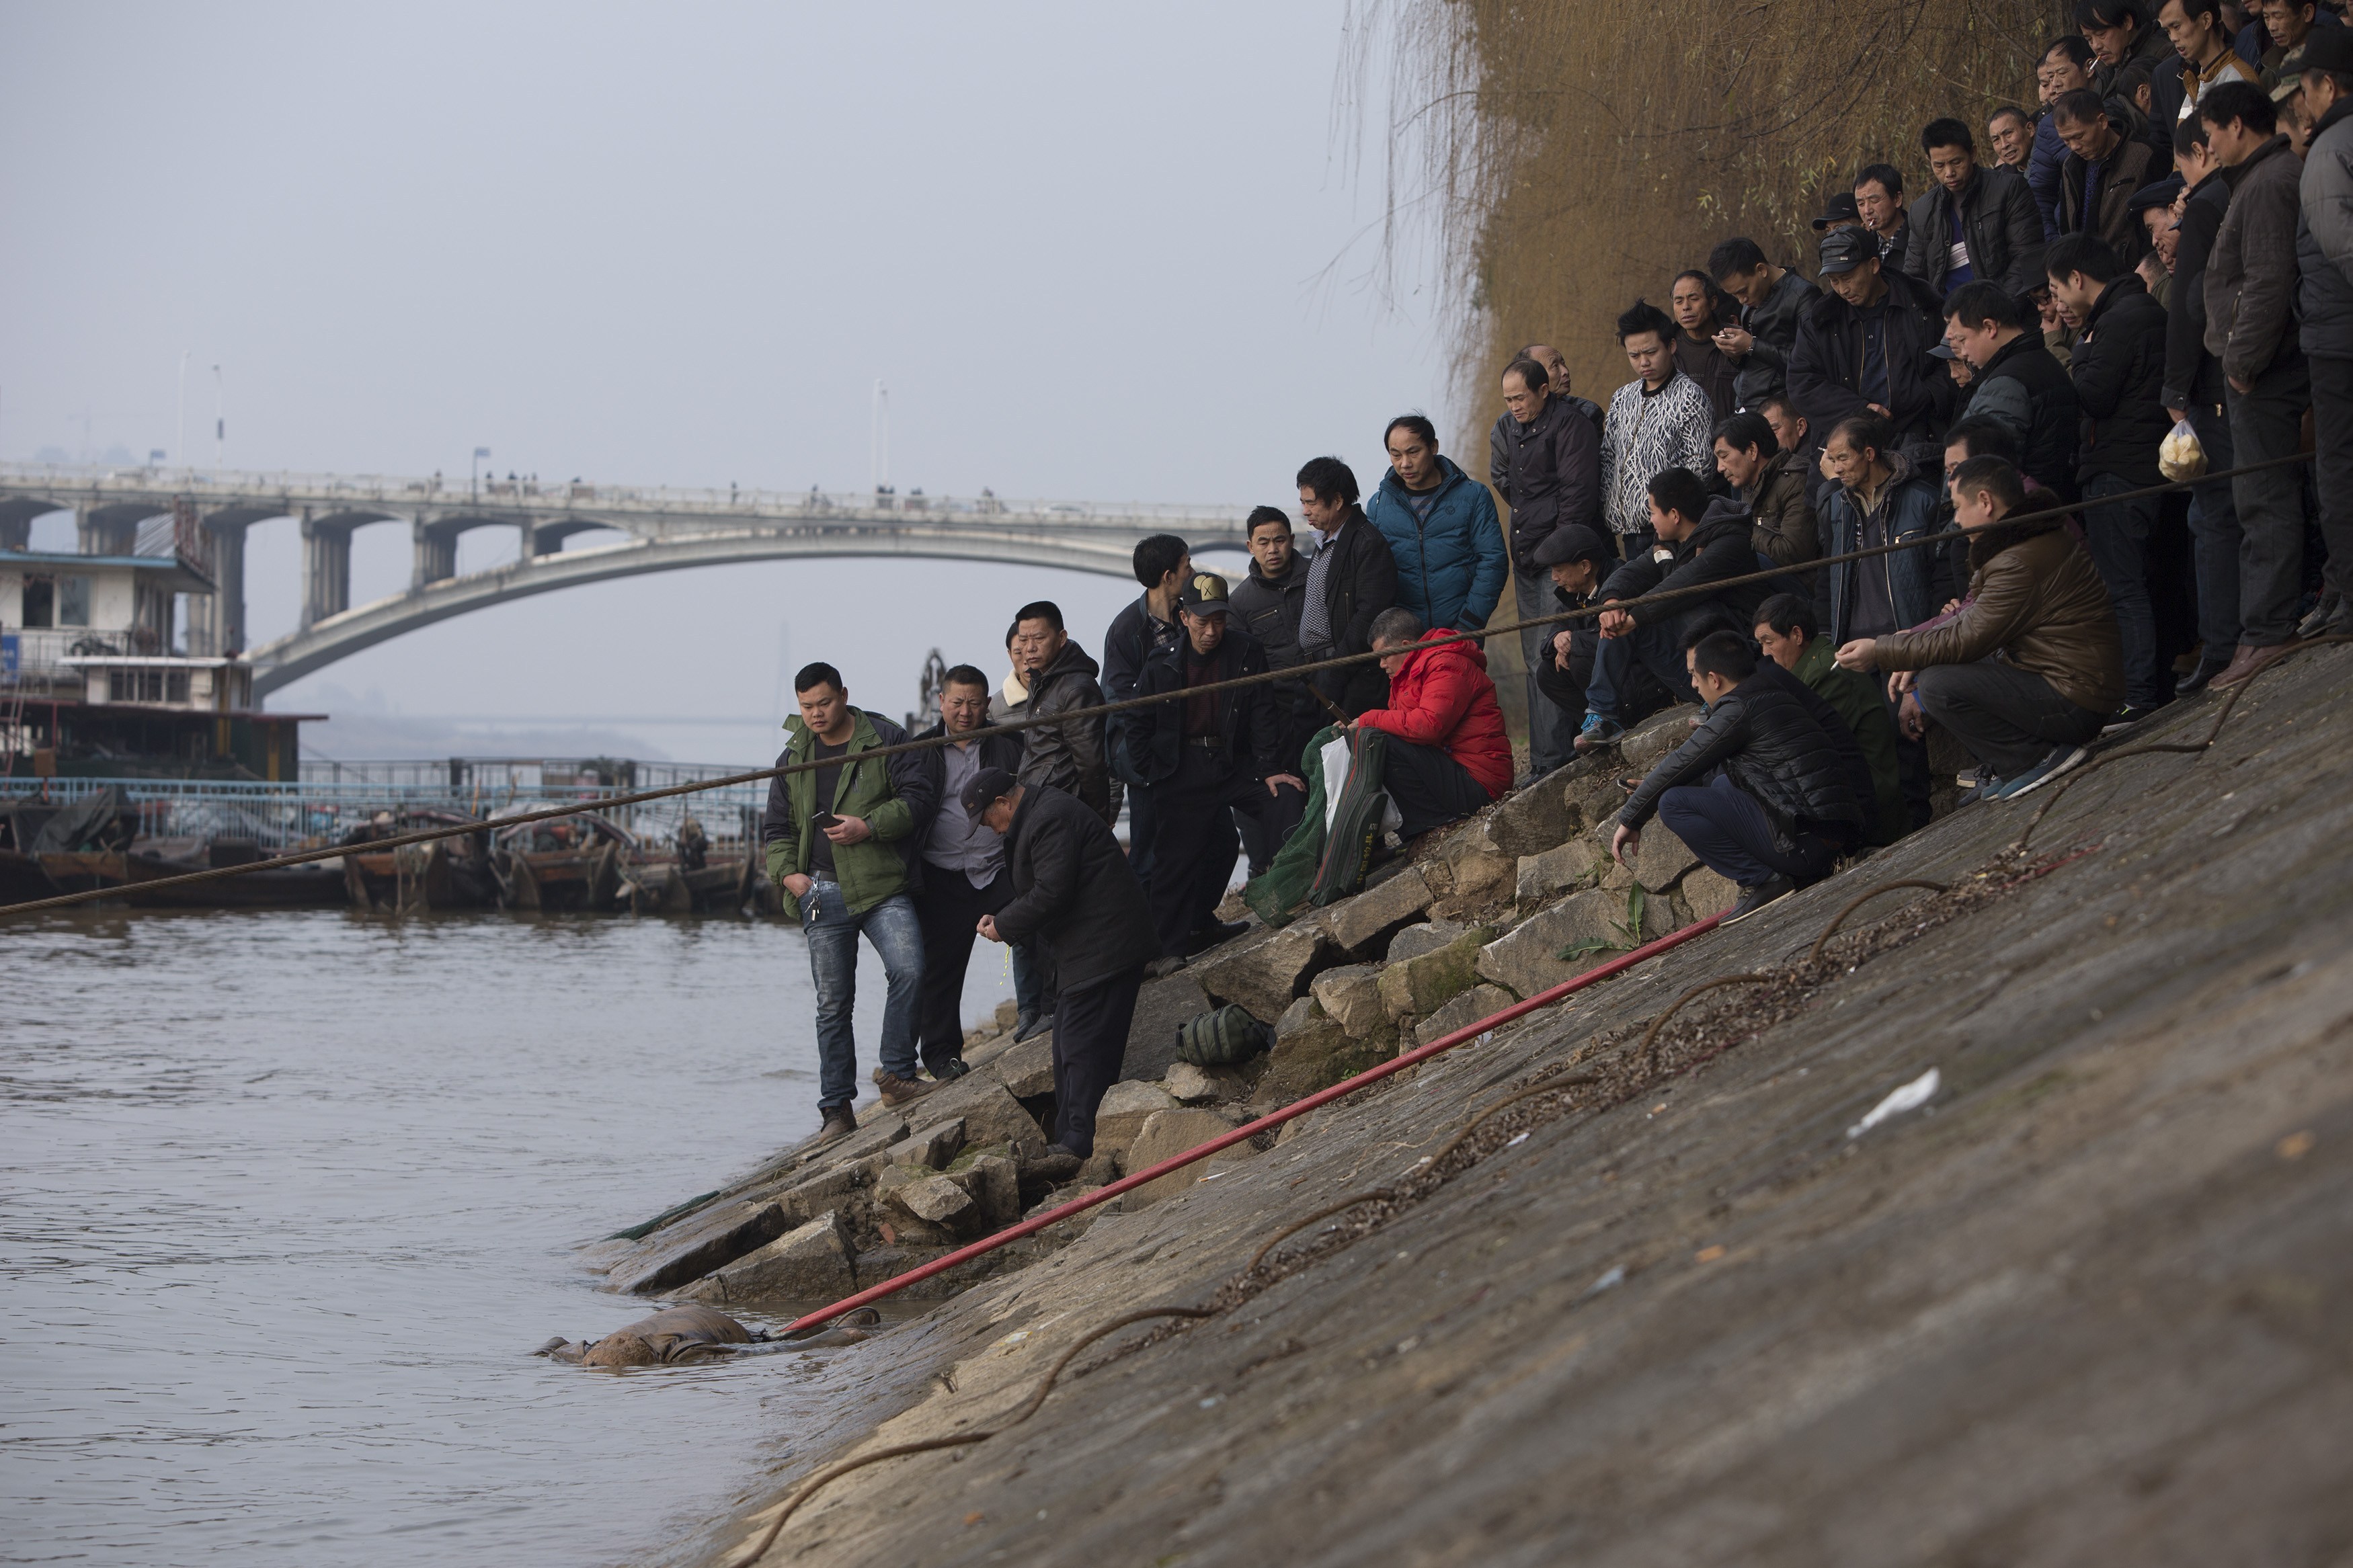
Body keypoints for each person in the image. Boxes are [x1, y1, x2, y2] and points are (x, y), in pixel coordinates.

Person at [1841, 457, 2124, 800]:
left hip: (2077, 698)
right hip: (2068, 682)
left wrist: (1882, 650)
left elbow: (1969, 637)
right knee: (1937, 672)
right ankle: (2014, 763)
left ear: (1986, 502)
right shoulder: (2023, 543)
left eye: (1960, 507)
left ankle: (2034, 758)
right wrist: (1908, 644)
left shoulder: (2018, 559)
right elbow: (1968, 621)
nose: (1957, 519)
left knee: (1938, 684)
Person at [762, 662, 939, 1144]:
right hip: (819, 889)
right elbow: (777, 830)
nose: (815, 714)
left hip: (884, 884)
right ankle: (836, 1110)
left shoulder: (884, 738)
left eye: (823, 703)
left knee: (910, 968)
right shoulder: (793, 755)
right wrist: (788, 874)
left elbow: (919, 798)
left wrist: (869, 825)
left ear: (844, 695)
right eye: (806, 707)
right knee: (832, 1003)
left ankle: (897, 1074)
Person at [967, 769, 1157, 1167]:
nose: (990, 830)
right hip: (1088, 949)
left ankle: (1079, 1144)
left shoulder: (1049, 816)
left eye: (988, 820)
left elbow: (1053, 890)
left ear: (1003, 803)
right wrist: (1005, 918)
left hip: (1106, 946)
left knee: (1082, 1048)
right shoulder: (1038, 813)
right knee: (1066, 1047)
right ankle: (1072, 1139)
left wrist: (1004, 924)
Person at [1611, 630, 1865, 923]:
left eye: (1695, 676)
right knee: (1721, 783)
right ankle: (1775, 876)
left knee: (1672, 803)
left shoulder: (1737, 709)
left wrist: (1632, 817)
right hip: (1827, 834)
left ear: (1715, 679)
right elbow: (1710, 769)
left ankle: (1764, 881)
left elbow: (1681, 760)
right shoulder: (1768, 691)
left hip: (1809, 844)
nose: (1693, 684)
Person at [2201, 80, 2310, 684]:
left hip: (2264, 370)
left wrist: (2242, 360)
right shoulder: (2261, 180)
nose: (2210, 145)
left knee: (2264, 499)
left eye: (2212, 132)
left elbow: (2268, 282)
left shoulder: (2269, 182)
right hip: (2255, 367)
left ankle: (2269, 629)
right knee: (2257, 498)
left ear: (2237, 125)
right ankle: (2264, 625)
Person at [1127, 571, 1292, 963]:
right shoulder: (1161, 664)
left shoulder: (1247, 651)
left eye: (1220, 620)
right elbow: (1137, 724)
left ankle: (1294, 891)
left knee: (1285, 798)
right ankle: (1169, 949)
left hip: (1235, 763)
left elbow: (1265, 713)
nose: (1212, 631)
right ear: (1184, 618)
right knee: (1175, 859)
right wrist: (1153, 772)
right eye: (1203, 622)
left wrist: (1270, 767)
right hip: (1183, 767)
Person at [2047, 233, 2174, 718]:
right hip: (2142, 463)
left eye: (2058, 289)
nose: (2057, 302)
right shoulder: (2134, 313)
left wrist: (2078, 352)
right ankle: (2152, 685)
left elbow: (2094, 396)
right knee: (2144, 581)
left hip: (2120, 469)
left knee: (2124, 587)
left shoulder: (2118, 322)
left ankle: (2140, 694)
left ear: (2078, 279)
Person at [1576, 467, 1772, 751]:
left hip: (1742, 663)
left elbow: (1684, 585)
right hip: (1695, 671)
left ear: (1675, 515)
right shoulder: (1667, 543)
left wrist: (1636, 616)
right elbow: (1631, 573)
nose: (1650, 519)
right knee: (1618, 621)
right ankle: (1603, 715)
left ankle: (1719, 699)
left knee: (1686, 606)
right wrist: (1612, 603)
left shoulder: (1728, 540)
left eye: (1653, 511)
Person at [2162, 112, 2247, 692]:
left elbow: (2191, 302)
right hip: (2240, 369)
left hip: (2213, 383)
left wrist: (2175, 386)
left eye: (2181, 167)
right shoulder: (2246, 187)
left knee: (2213, 513)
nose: (2181, 184)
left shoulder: (2209, 205)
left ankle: (2223, 644)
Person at [909, 664, 1024, 1081]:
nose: (965, 711)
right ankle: (942, 1058)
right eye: (956, 702)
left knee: (1040, 923)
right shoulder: (918, 751)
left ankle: (1043, 1011)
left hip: (997, 869)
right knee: (940, 968)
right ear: (941, 702)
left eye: (975, 703)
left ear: (987, 703)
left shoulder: (1009, 744)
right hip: (940, 875)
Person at [1490, 354, 1602, 774]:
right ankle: (1542, 762)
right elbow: (1508, 484)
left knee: (1554, 653)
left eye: (1521, 398)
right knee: (1531, 660)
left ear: (1543, 390)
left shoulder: (1569, 424)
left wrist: (1563, 555)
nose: (1514, 406)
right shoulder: (1507, 429)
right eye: (1508, 400)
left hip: (1558, 558)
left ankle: (1556, 760)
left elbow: (1577, 494)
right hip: (1525, 557)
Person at [1755, 593, 1912, 846]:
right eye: (1760, 644)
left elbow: (1819, 750)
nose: (1765, 653)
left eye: (1768, 641)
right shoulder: (1808, 670)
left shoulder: (1826, 672)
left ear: (1796, 635)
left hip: (1871, 803)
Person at [1351, 607, 1513, 839]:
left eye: (1385, 656)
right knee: (1381, 742)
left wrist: (1369, 718)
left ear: (1406, 645)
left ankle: (1434, 824)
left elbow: (1428, 727)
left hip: (1480, 782)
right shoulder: (1409, 672)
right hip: (1455, 769)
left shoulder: (1445, 663)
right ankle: (1425, 827)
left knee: (1385, 744)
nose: (1382, 664)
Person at [1789, 226, 1956, 450]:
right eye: (1833, 281)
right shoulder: (1820, 322)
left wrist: (1925, 395)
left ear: (1873, 266)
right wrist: (1861, 412)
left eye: (1847, 278)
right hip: (1847, 438)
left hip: (1918, 431)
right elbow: (1802, 382)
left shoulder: (1922, 306)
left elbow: (1953, 359)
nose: (1842, 289)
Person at [2297, 30, 2353, 638]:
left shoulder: (2328, 149)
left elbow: (2341, 244)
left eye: (2307, 90)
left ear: (2328, 86)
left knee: (2338, 467)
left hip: (2339, 339)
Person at [1228, 505, 1319, 874]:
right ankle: (1276, 869)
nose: (1273, 549)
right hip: (1278, 713)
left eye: (1279, 540)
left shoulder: (1319, 576)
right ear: (1250, 546)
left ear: (1292, 541)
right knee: (1289, 791)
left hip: (1324, 698)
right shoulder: (1241, 603)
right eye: (1263, 542)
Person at [1817, 413, 1954, 650]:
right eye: (1832, 460)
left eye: (1843, 458)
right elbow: (1827, 573)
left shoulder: (1923, 500)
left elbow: (1943, 572)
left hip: (1907, 638)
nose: (1837, 469)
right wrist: (1826, 633)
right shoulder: (1837, 507)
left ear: (1869, 454)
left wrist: (1931, 631)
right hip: (1851, 640)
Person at [1363, 413, 1508, 639]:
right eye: (1396, 455)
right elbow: (1373, 576)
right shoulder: (1378, 506)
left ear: (1433, 447)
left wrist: (1469, 623)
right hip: (1404, 638)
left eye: (1413, 452)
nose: (1405, 464)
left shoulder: (1473, 496)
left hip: (1461, 630)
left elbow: (1493, 561)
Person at [1102, 534, 1191, 891]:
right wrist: (1147, 751)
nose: (1193, 571)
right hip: (1150, 760)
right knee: (1148, 854)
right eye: (1188, 565)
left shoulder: (1192, 617)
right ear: (1169, 576)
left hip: (1191, 751)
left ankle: (1197, 924)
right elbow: (1120, 700)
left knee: (1210, 843)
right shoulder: (1126, 630)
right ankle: (1149, 941)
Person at [1942, 280, 2083, 499]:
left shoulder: (2006, 385)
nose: (1963, 352)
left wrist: (1955, 526)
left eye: (1963, 339)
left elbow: (1984, 483)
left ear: (1989, 327)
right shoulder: (2040, 361)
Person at [1528, 523, 1671, 737]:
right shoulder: (1573, 594)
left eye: (1559, 570)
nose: (1554, 578)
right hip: (1615, 686)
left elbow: (1618, 637)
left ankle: (1613, 722)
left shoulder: (1623, 581)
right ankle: (1594, 726)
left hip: (1645, 685)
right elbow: (1552, 635)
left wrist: (1574, 642)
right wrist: (1558, 639)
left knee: (1579, 658)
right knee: (1548, 673)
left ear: (1585, 566)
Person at [1600, 300, 1717, 552]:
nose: (1643, 362)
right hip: (1628, 531)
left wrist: (1667, 517)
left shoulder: (1690, 397)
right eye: (1634, 355)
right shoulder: (1622, 398)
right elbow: (1608, 457)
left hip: (1669, 534)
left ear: (1671, 346)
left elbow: (1700, 467)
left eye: (1651, 353)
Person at [1295, 455, 1400, 718]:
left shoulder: (1366, 543)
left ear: (1338, 501)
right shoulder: (1324, 541)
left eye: (1312, 503)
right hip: (1320, 671)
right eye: (1303, 503)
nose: (1305, 511)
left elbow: (1369, 614)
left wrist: (1335, 671)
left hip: (1347, 676)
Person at [1903, 118, 2048, 300]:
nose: (1949, 173)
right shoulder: (1921, 211)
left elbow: (2025, 258)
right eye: (1939, 165)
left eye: (1956, 162)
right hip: (1950, 319)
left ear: (1973, 154)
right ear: (1929, 161)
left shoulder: (2009, 189)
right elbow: (1914, 279)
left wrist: (1998, 313)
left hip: (2004, 311)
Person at [1009, 600, 1111, 825]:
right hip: (1039, 804)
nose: (1030, 648)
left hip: (1062, 811)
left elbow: (1091, 764)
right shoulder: (1040, 677)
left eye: (1039, 638)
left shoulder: (1077, 688)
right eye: (1024, 640)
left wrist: (1098, 820)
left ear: (1062, 637)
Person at [1708, 237, 1821, 410]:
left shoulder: (1804, 295)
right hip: (1746, 403)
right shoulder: (1754, 297)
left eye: (1743, 291)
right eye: (1734, 295)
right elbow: (1754, 361)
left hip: (1783, 407)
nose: (1741, 300)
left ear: (1761, 270)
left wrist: (1751, 345)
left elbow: (1810, 362)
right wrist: (1735, 353)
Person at [2053, 89, 2166, 263]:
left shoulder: (2146, 155)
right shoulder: (2070, 165)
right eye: (2066, 140)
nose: (2074, 146)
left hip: (2131, 273)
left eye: (2079, 136)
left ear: (2102, 121)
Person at [1710, 411, 1820, 569]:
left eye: (1725, 456)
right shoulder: (1748, 483)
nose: (1719, 468)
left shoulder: (1795, 482)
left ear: (1752, 450)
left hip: (1797, 583)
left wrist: (1742, 531)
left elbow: (1794, 552)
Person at [2033, 37, 2103, 238]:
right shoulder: (2048, 127)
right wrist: (2056, 245)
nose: (2054, 84)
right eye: (2050, 76)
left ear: (2089, 68)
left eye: (2062, 73)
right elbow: (2040, 194)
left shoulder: (2114, 106)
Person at [2155, 0, 2263, 129]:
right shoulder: (2195, 80)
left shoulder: (2239, 82)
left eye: (2177, 27)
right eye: (2168, 31)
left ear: (2206, 20)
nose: (2173, 37)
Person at [1669, 270, 1741, 418]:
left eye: (1693, 298)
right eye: (1679, 301)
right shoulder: (1666, 348)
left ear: (1713, 302)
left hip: (1730, 438)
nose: (1686, 307)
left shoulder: (1737, 339)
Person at [2082, 0, 2182, 101]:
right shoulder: (2103, 71)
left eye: (2101, 34)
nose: (2095, 46)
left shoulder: (2163, 53)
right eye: (2089, 39)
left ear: (2127, 22)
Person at [1856, 163, 1913, 265]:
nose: (1867, 210)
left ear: (1897, 199)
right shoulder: (1862, 248)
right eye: (1861, 204)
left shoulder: (1920, 238)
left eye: (1874, 201)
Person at [1990, 104, 2040, 181]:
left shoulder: (2054, 159)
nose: (2004, 145)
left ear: (2030, 129)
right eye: (1996, 139)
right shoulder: (2003, 183)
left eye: (2008, 133)